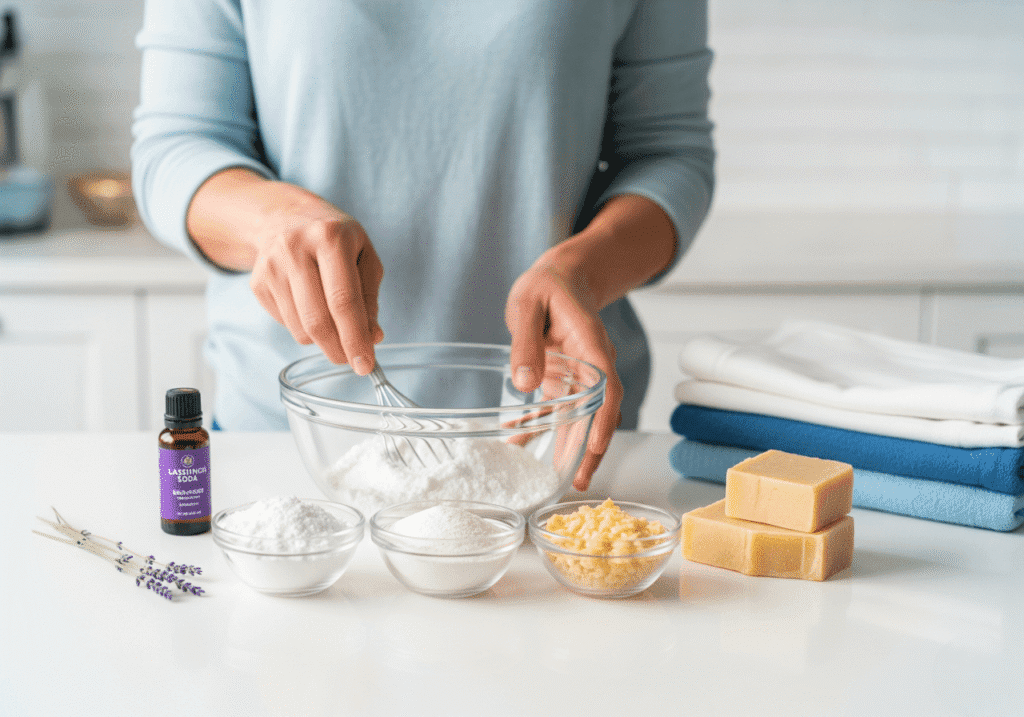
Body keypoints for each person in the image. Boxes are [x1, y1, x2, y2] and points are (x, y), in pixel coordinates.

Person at [131, 0, 715, 491]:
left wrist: (585, 271)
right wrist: (270, 221)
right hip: (291, 448)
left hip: (552, 440)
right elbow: (175, 148)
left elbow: (669, 153)